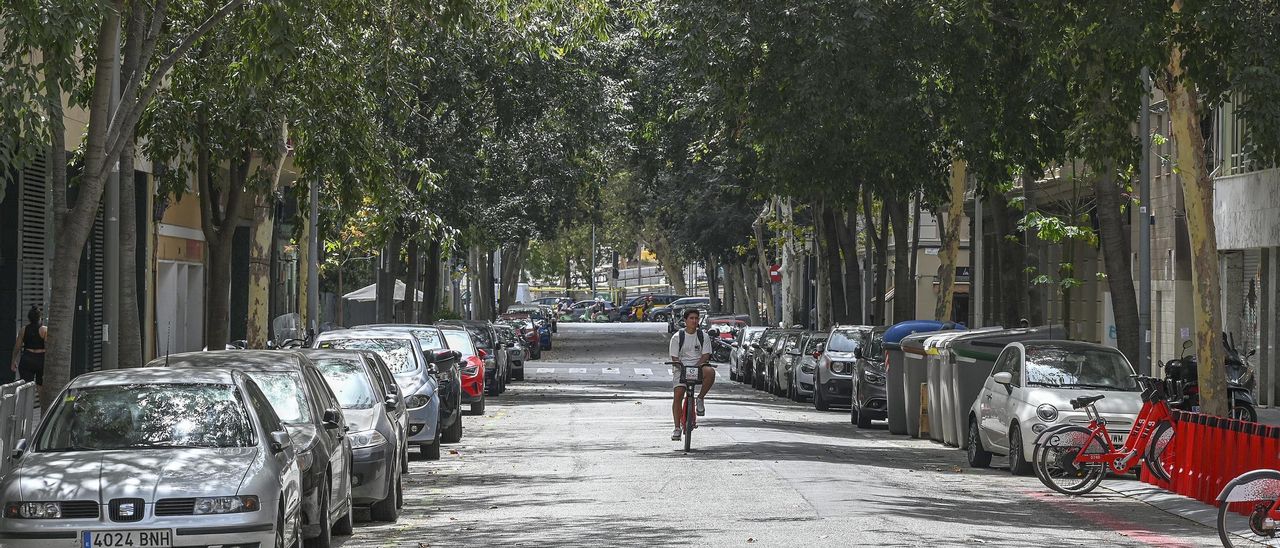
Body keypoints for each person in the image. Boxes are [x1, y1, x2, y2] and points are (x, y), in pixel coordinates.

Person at [669, 308, 714, 441]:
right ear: (685, 320)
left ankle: (700, 399)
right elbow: (674, 357)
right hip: (681, 369)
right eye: (691, 318)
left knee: (710, 372)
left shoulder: (703, 336)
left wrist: (697, 366)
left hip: (698, 367)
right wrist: (682, 367)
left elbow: (706, 355)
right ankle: (677, 428)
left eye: (696, 318)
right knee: (678, 395)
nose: (694, 321)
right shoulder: (677, 337)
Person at [10, 306, 46, 406]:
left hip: (27, 358)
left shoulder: (23, 330)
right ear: (40, 318)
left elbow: (17, 347)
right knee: (41, 387)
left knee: (26, 387)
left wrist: (13, 361)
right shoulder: (44, 330)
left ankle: (25, 412)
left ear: (29, 318)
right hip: (41, 359)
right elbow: (49, 348)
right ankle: (43, 413)